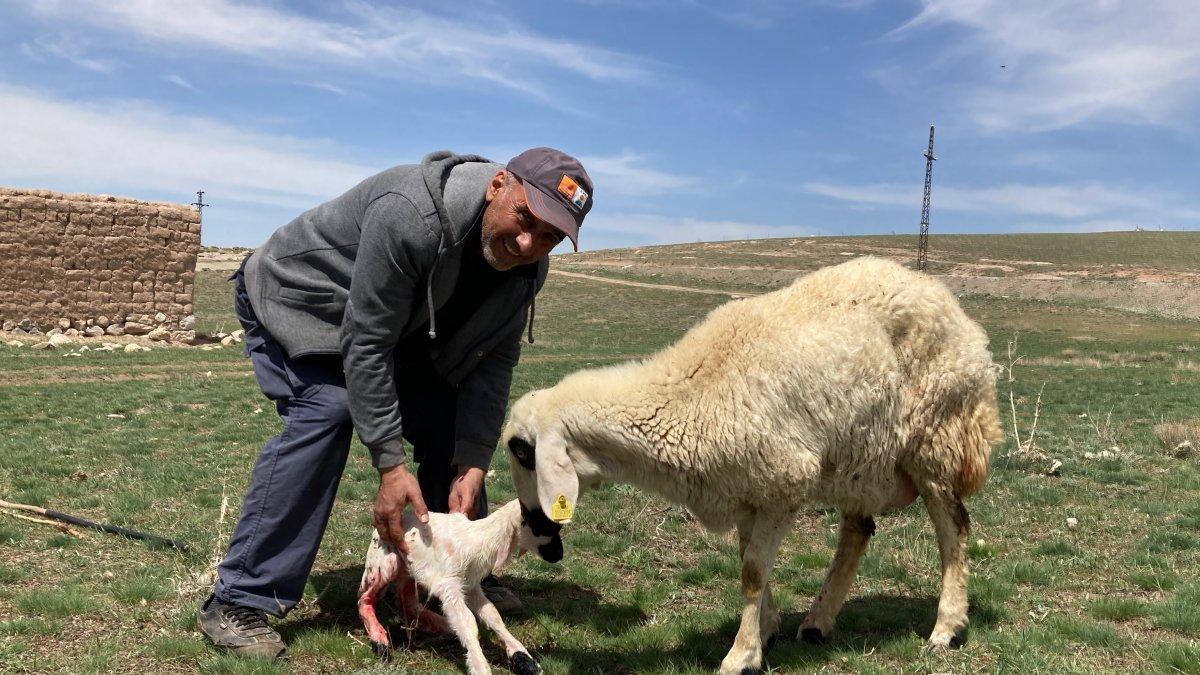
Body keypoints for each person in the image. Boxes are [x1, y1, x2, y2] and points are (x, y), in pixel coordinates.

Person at [196, 148, 594, 659]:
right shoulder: (412, 214)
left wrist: (473, 460)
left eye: (550, 238)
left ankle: (451, 572)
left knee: (453, 432)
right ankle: (241, 600)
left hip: (391, 330)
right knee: (328, 409)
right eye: (525, 219)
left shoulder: (525, 270)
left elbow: (490, 364)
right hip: (300, 301)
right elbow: (365, 343)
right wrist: (389, 464)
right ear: (498, 186)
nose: (528, 243)